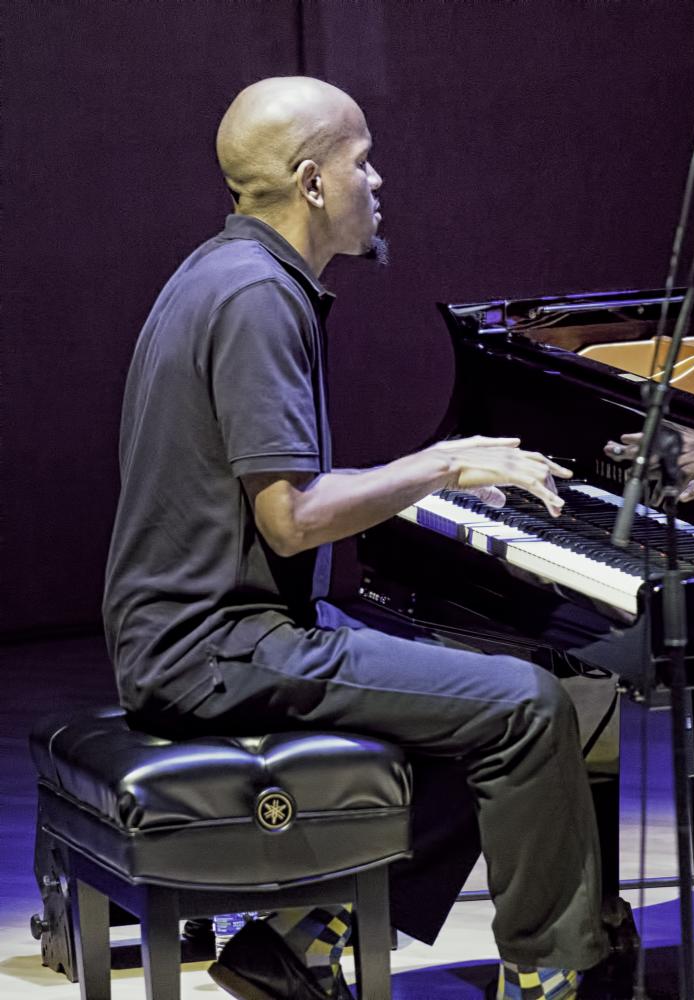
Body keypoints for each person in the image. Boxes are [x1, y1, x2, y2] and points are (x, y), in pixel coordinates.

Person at [102, 76, 606, 1000]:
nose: (379, 182)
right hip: (214, 651)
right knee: (531, 707)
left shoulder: (222, 271)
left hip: (210, 634)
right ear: (312, 182)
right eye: (362, 161)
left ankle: (296, 943)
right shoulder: (259, 298)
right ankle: (552, 976)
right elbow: (290, 523)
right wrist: (441, 468)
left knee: (486, 690)